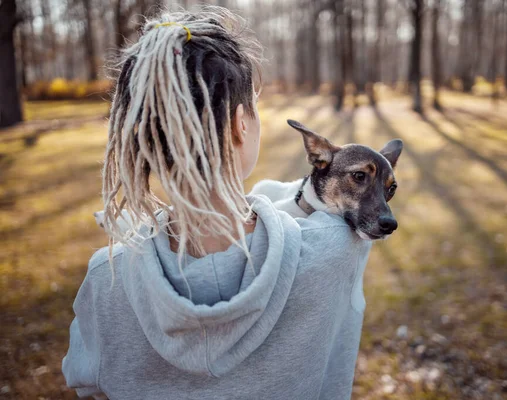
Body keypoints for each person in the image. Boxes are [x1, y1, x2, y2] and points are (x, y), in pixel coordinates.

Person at [62, 7, 372, 400]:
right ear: (241, 124)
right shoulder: (336, 249)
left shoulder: (106, 281)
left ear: (145, 140)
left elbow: (88, 384)